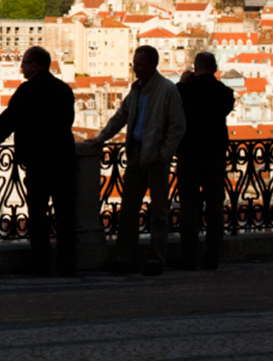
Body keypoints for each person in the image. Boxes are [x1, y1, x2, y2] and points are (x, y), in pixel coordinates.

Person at [0, 46, 79, 276]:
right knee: (65, 214)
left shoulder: (27, 90)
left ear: (34, 65)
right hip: (63, 159)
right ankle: (66, 264)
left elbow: (8, 120)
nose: (21, 67)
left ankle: (41, 263)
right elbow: (68, 121)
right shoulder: (64, 89)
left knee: (38, 214)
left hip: (38, 160)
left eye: (24, 63)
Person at [94, 45, 186, 276]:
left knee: (158, 212)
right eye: (135, 63)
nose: (136, 67)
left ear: (153, 64)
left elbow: (178, 126)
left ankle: (155, 259)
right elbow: (121, 117)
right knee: (128, 210)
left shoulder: (167, 90)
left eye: (140, 63)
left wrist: (163, 154)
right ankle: (127, 257)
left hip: (155, 158)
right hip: (136, 154)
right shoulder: (137, 89)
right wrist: (101, 137)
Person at [175, 51, 235, 270]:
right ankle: (212, 257)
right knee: (215, 209)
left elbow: (175, 102)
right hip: (216, 156)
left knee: (189, 209)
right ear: (216, 67)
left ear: (196, 67)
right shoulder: (226, 94)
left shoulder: (185, 91)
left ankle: (189, 257)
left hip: (189, 154)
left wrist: (183, 82)